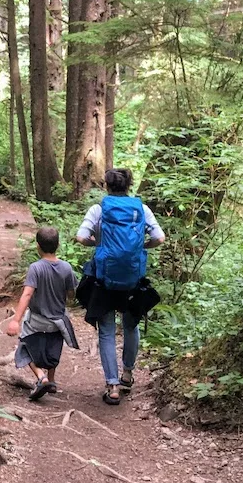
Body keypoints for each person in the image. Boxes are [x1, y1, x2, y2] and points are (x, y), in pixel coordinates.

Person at [76, 168, 165, 405]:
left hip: (104, 280)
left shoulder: (98, 209)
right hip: (132, 280)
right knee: (131, 325)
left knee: (106, 332)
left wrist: (98, 243)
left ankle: (112, 386)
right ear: (129, 186)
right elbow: (160, 237)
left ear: (107, 186)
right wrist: (142, 247)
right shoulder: (141, 209)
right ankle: (127, 374)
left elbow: (81, 236)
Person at [5, 226, 79, 401]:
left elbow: (28, 294)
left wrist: (16, 320)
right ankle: (51, 380)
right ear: (58, 245)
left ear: (38, 246)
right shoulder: (66, 268)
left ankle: (41, 376)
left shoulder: (35, 268)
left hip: (37, 320)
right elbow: (71, 294)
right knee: (53, 348)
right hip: (57, 322)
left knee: (24, 347)